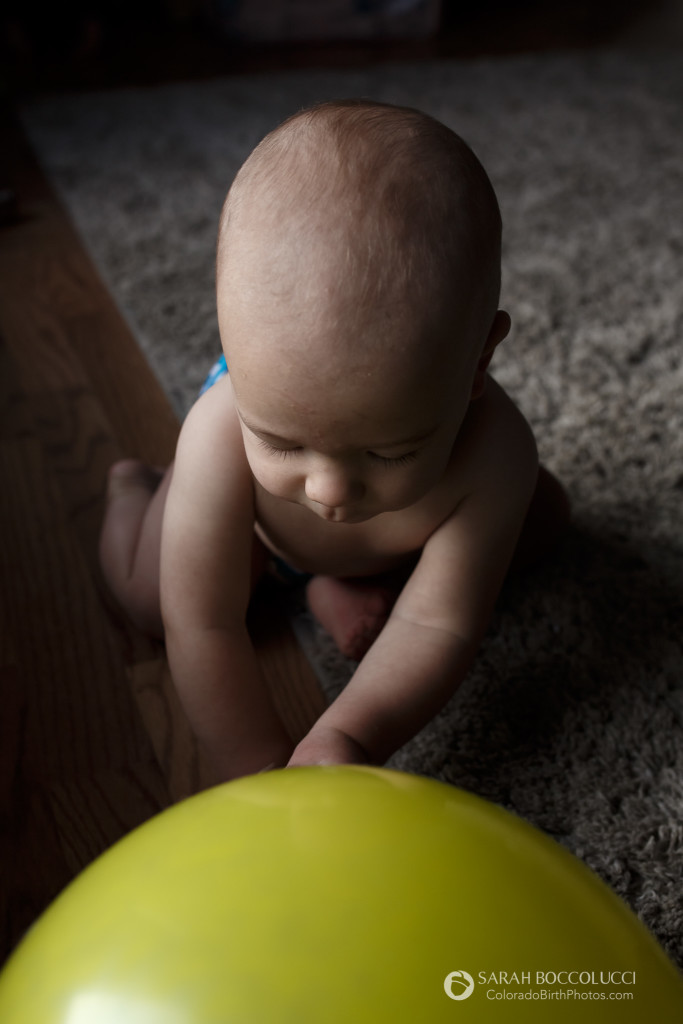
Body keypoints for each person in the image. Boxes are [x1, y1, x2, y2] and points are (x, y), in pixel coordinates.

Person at [99, 99, 569, 782]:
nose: (328, 489)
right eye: (284, 443)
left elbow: (438, 625)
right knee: (148, 597)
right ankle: (130, 487)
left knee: (544, 521)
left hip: (388, 535)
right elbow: (203, 624)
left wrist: (347, 734)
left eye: (388, 449)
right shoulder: (222, 426)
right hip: (254, 532)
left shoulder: (495, 450)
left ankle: (333, 574)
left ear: (476, 364)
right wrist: (253, 766)